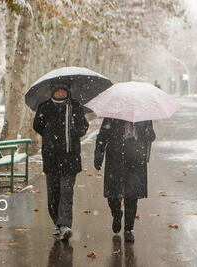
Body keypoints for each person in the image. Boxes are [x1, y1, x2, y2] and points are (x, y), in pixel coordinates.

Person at [33, 83, 89, 241]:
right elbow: (37, 125)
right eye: (58, 90)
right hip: (51, 157)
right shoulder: (44, 107)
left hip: (70, 157)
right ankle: (57, 223)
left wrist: (74, 131)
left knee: (66, 191)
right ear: (53, 92)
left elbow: (84, 126)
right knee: (53, 193)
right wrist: (51, 135)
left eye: (64, 90)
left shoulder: (75, 106)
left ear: (68, 91)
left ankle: (65, 225)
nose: (61, 92)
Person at [94, 118, 155, 242]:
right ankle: (116, 213)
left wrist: (148, 133)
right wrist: (98, 154)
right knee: (113, 195)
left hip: (135, 158)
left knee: (131, 195)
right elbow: (102, 135)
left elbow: (151, 137)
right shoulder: (113, 115)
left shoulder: (143, 116)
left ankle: (128, 229)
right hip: (115, 157)